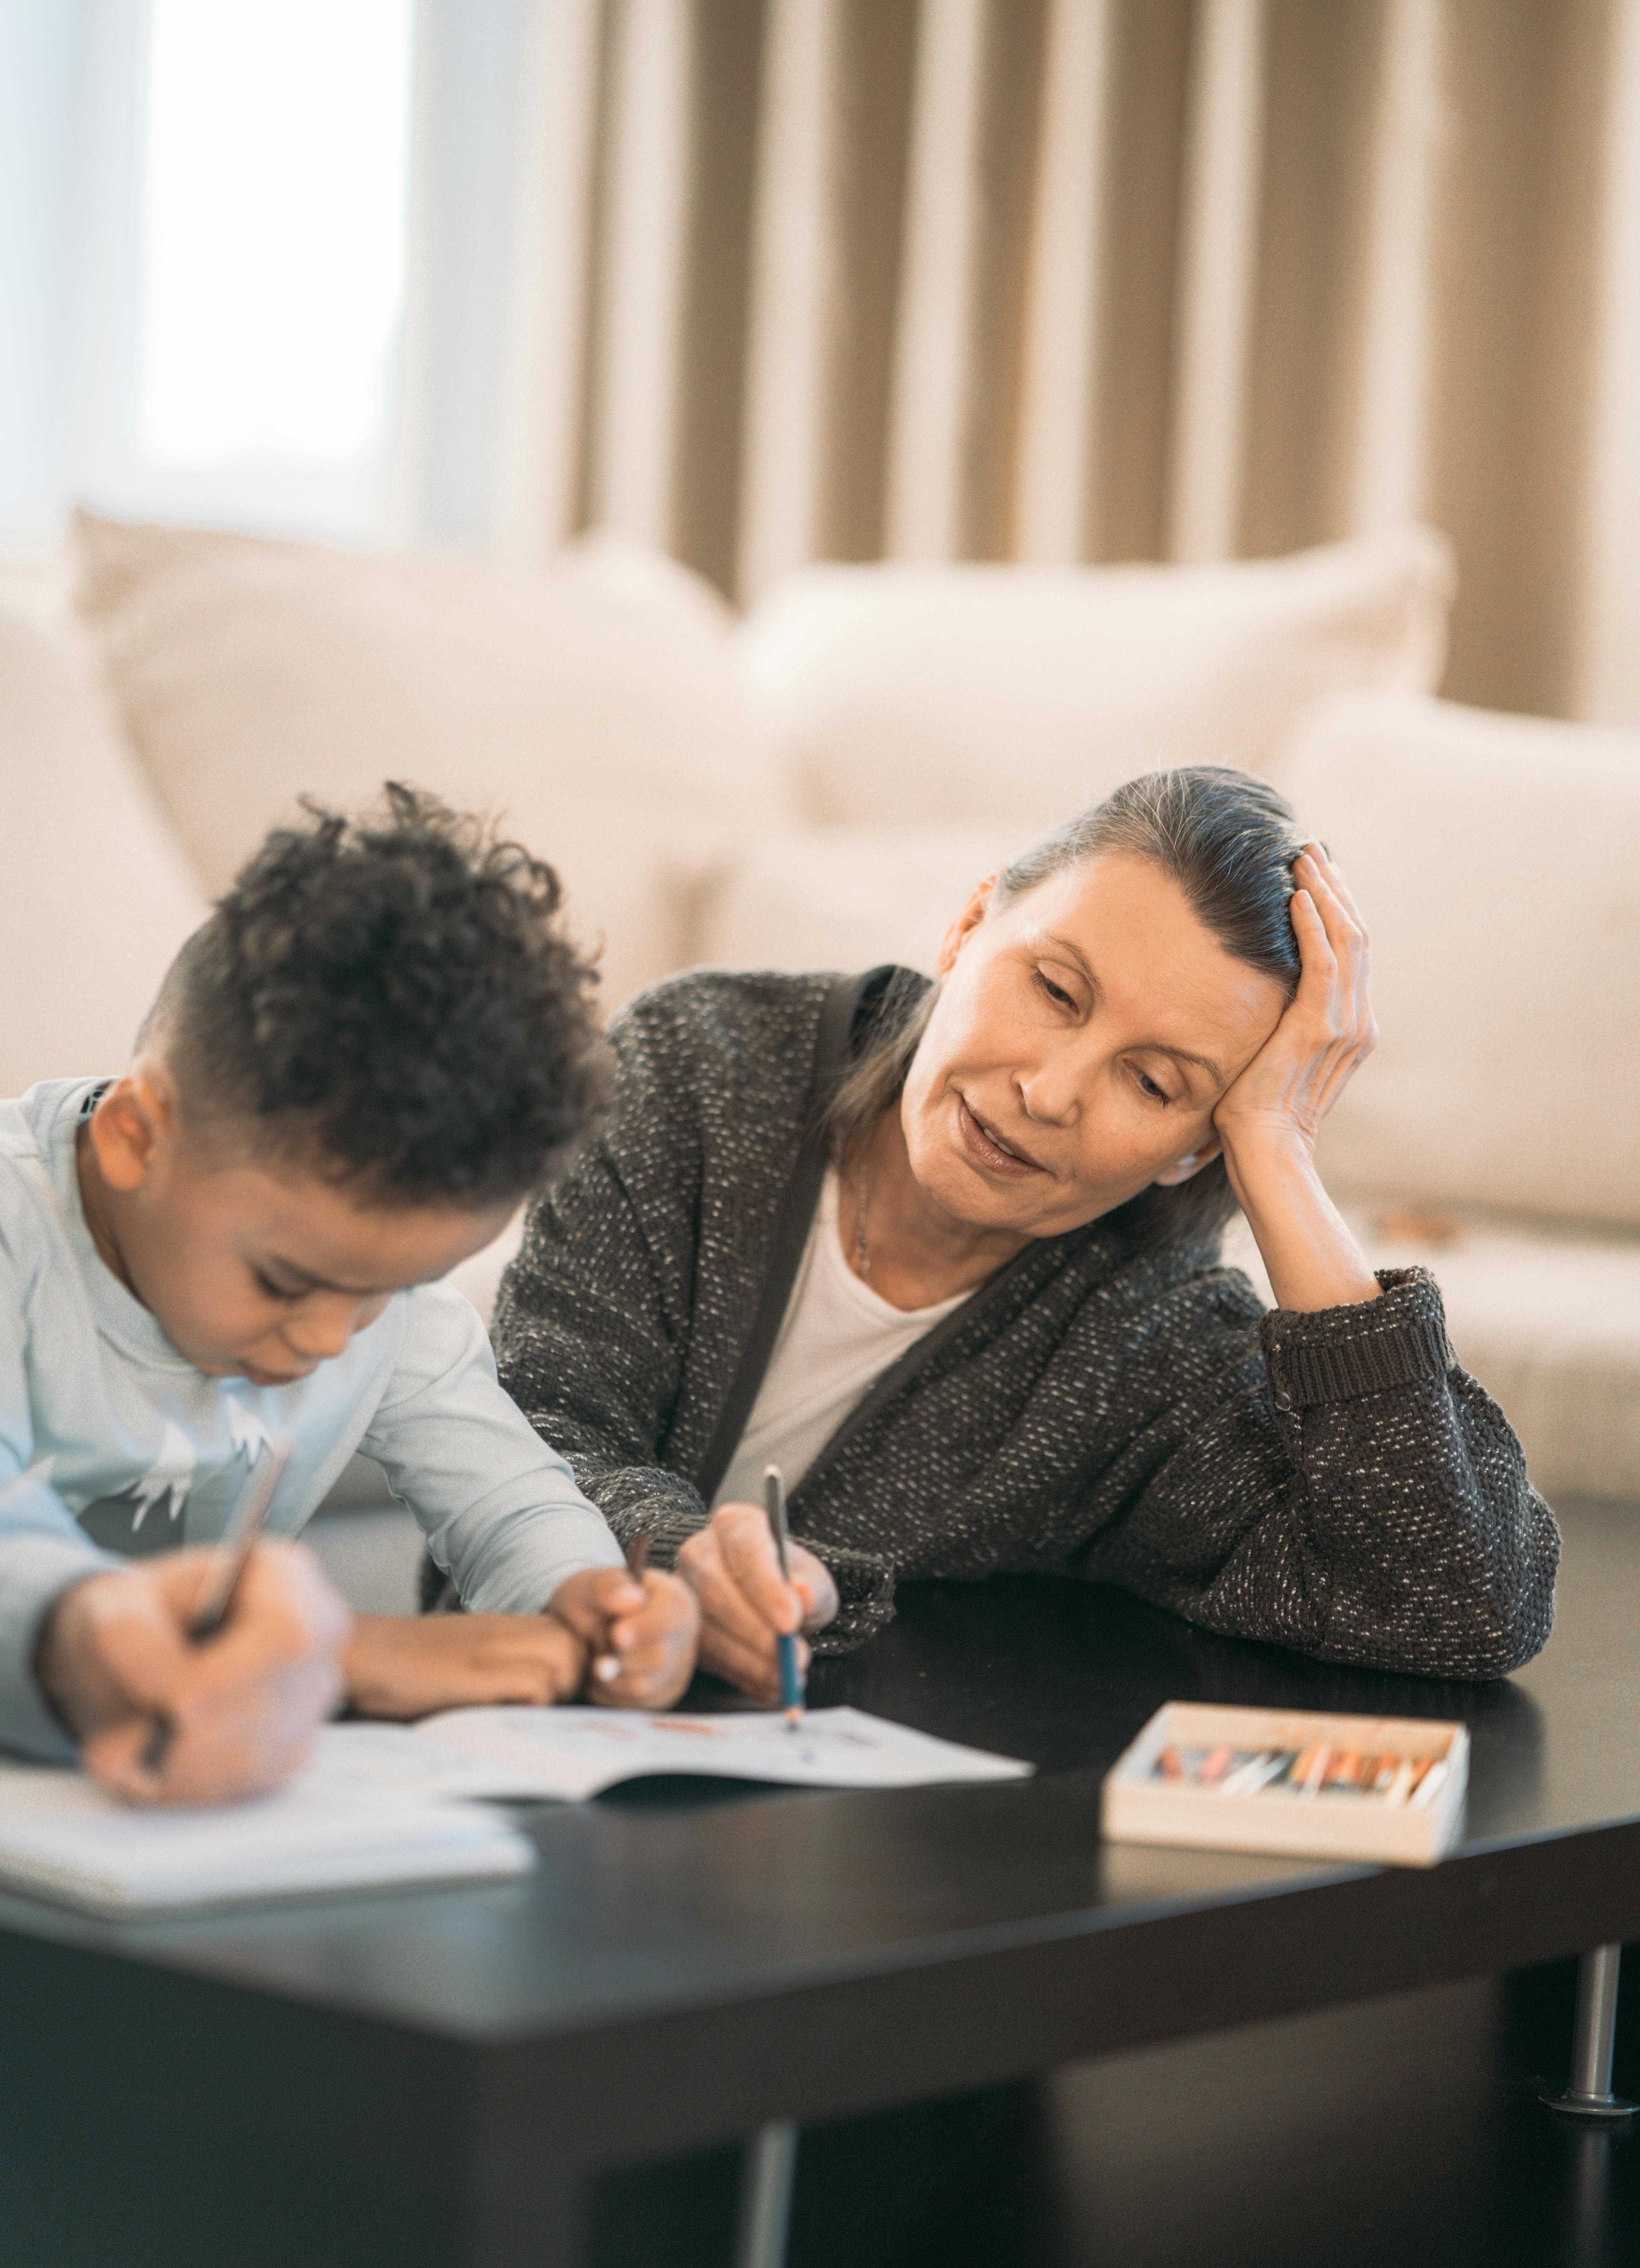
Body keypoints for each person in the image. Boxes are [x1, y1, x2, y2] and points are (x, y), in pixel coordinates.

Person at [488, 767, 1558, 1702]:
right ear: (967, 927)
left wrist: (1277, 1148)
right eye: (1054, 989)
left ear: (1197, 1147)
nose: (1050, 1094)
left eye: (1152, 1082)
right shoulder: (700, 1066)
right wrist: (683, 1558)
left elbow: (1458, 1605)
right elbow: (528, 1432)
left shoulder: (1146, 1346)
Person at [1, 786, 698, 1804]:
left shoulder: (378, 1300)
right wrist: (343, 1651)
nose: (328, 1338)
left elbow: (508, 1499)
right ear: (135, 1134)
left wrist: (590, 1602)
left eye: (390, 1291)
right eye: (284, 1283)